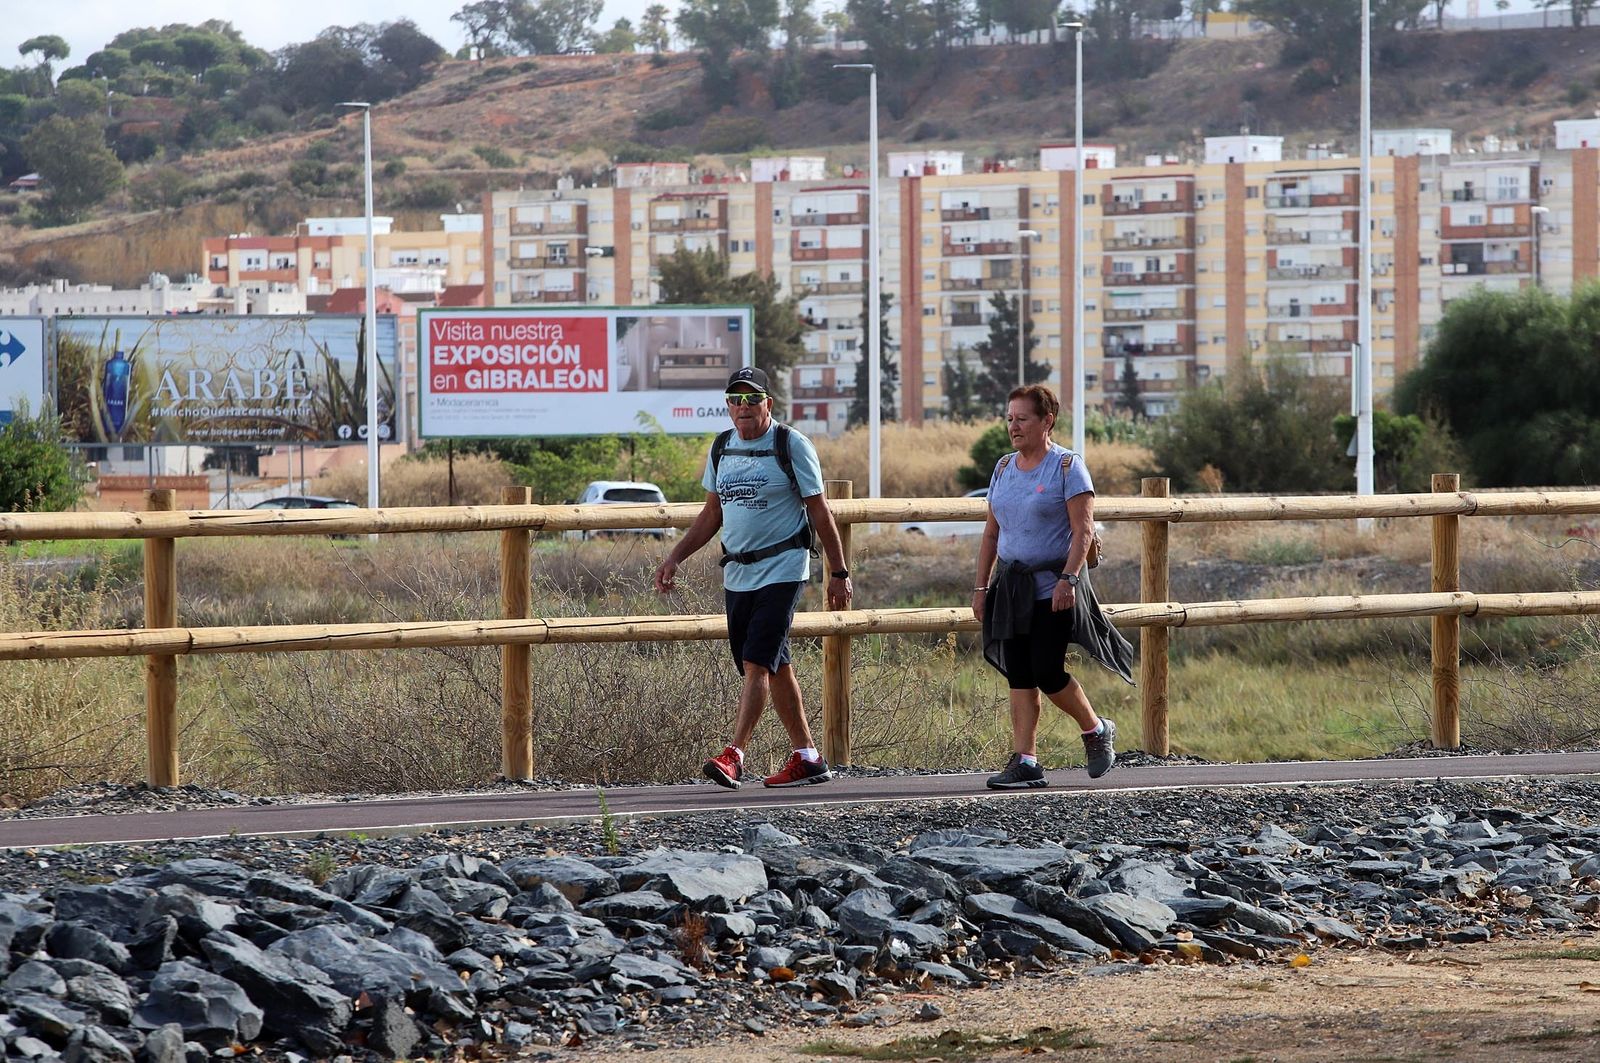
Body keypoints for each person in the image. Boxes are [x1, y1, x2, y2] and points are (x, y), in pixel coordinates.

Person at [653, 366, 854, 789]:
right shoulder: (722, 447)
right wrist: (675, 557)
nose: (743, 407)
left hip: (783, 568)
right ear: (727, 406)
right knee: (775, 665)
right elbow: (712, 513)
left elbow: (820, 511)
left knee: (755, 663)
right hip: (738, 572)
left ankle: (734, 755)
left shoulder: (790, 444)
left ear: (768, 403)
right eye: (735, 399)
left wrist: (838, 572)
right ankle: (808, 757)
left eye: (752, 398)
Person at [973, 384, 1134, 790]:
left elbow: (1083, 531)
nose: (1014, 426)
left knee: (1046, 670)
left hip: (1055, 587)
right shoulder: (1003, 468)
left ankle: (1095, 729)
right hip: (1011, 588)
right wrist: (980, 588)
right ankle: (1026, 761)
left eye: (1022, 418)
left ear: (1047, 421)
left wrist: (1069, 579)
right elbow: (992, 534)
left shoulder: (1067, 466)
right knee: (1020, 674)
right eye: (1010, 418)